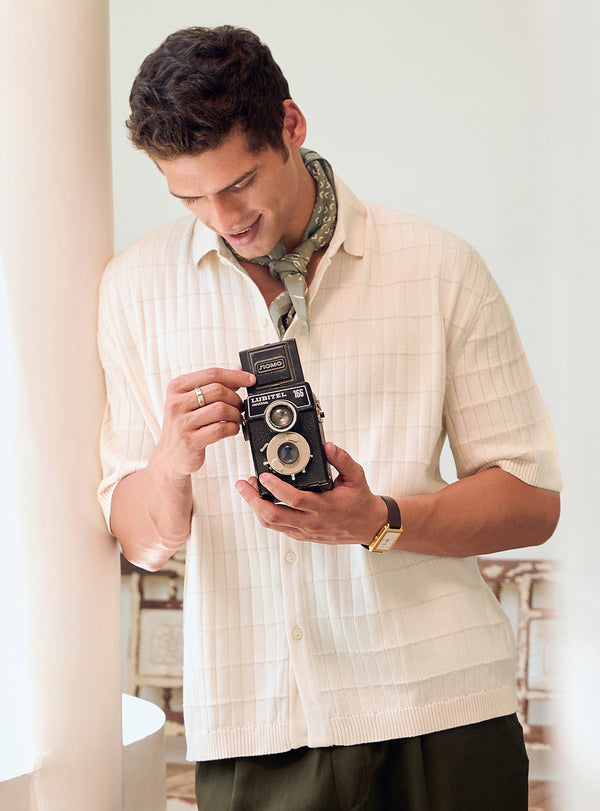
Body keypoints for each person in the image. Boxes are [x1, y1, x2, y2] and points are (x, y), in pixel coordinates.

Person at [98, 25, 561, 810]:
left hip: (442, 707)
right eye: (190, 197)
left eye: (240, 182)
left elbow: (531, 502)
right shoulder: (134, 288)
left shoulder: (440, 267)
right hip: (257, 721)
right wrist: (170, 461)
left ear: (290, 124)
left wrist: (380, 520)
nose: (221, 216)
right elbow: (140, 540)